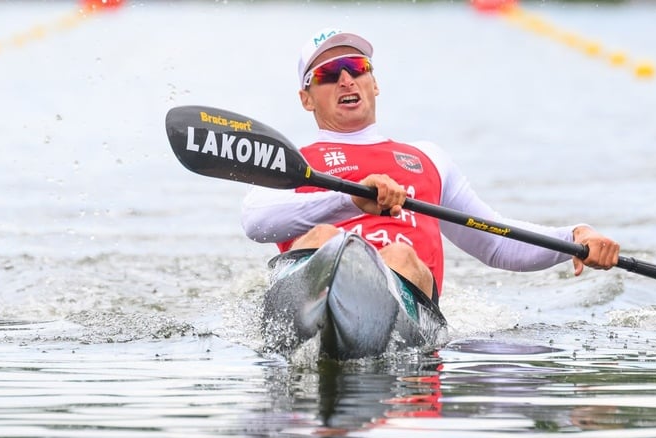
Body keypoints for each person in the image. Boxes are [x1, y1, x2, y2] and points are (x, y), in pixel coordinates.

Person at [241, 27, 620, 303]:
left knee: (400, 257)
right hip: (312, 292)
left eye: (357, 67)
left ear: (374, 83)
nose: (345, 79)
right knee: (327, 240)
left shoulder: (428, 159)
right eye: (326, 74)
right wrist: (349, 202)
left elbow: (496, 244)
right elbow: (256, 223)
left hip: (405, 296)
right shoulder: (291, 161)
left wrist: (574, 237)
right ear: (306, 99)